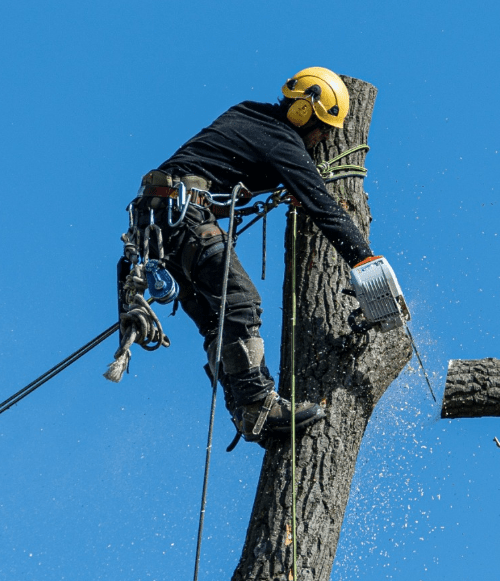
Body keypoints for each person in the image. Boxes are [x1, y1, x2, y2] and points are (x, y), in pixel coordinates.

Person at [120, 67, 394, 445]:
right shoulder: (282, 139)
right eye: (324, 131)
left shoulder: (248, 114)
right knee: (240, 302)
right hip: (182, 217)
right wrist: (368, 264)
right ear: (304, 115)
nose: (322, 140)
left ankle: (246, 411)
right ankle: (257, 404)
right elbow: (325, 209)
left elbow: (233, 166)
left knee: (220, 323)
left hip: (157, 226)